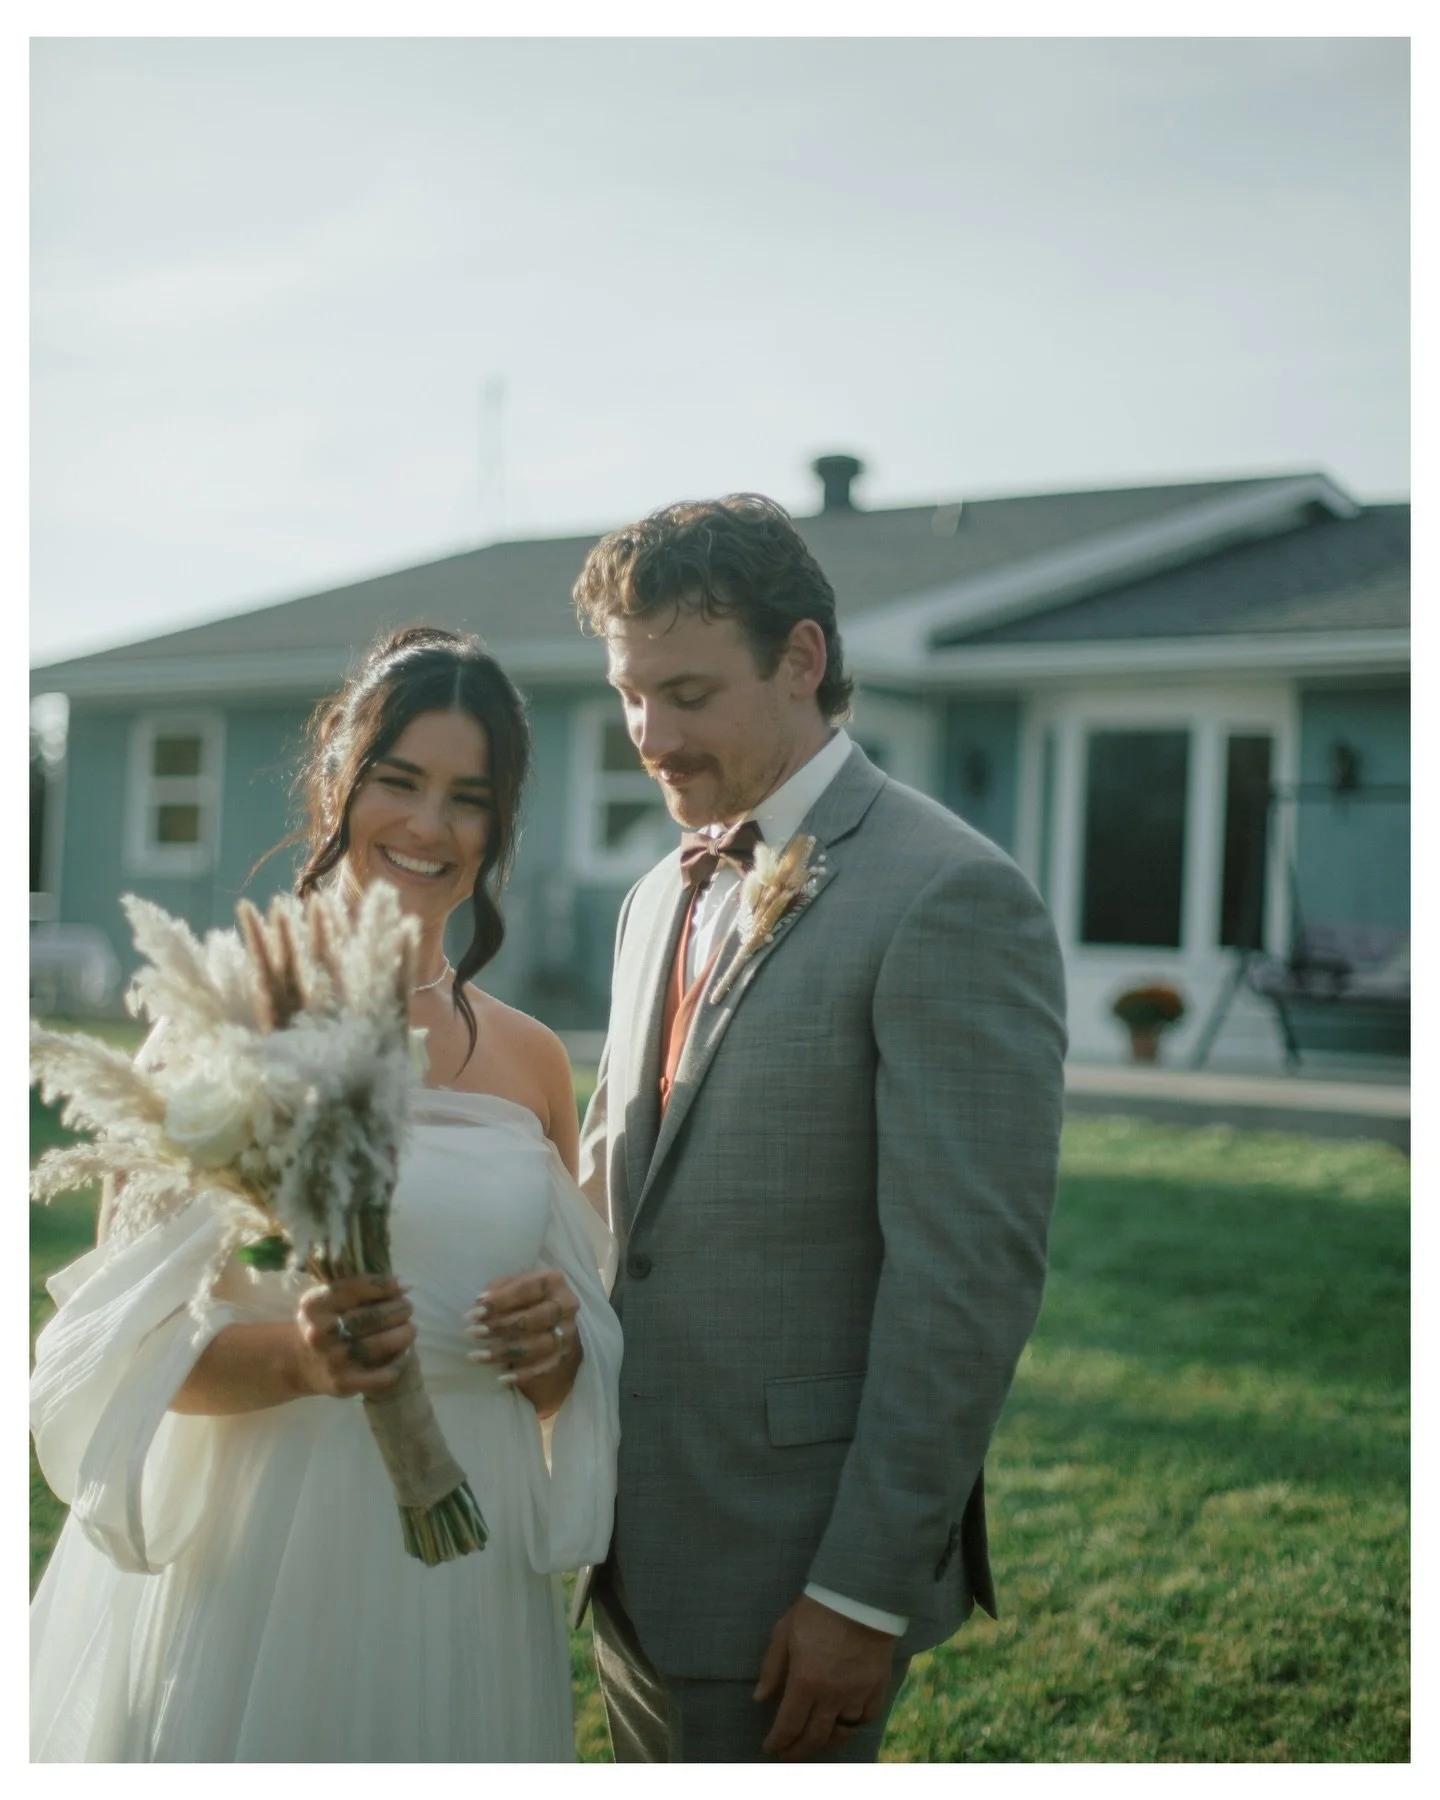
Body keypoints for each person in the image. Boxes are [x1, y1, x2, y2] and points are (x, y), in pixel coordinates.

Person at [30, 626, 623, 1761]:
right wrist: (302, 1361)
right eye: (397, 783)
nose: (427, 826)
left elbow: (572, 1366)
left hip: (469, 1553)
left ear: (498, 826)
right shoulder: (219, 1029)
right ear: (334, 787)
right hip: (265, 1546)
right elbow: (120, 1353)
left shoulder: (535, 1060)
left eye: (468, 797)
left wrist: (556, 1359)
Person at [570, 495, 1067, 1762]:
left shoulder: (949, 893)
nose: (651, 738)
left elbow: (968, 1280)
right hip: (617, 1544)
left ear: (800, 660)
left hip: (787, 1565)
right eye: (631, 696)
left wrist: (860, 1592)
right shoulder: (655, 896)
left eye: (687, 693)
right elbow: (618, 1190)